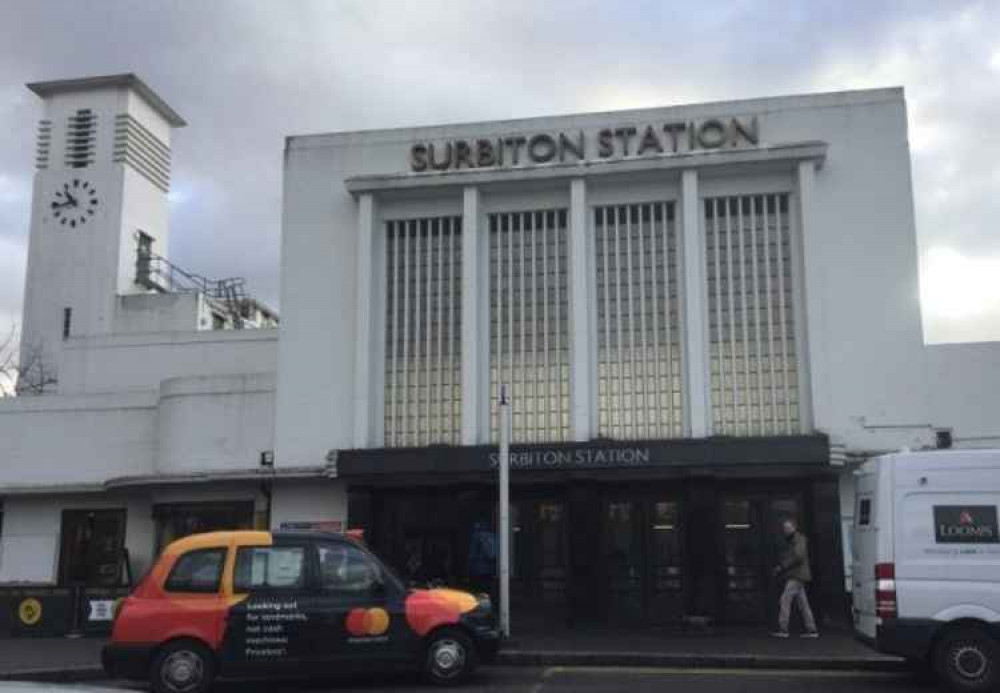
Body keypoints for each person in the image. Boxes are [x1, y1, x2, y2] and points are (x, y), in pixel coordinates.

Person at [770, 518, 819, 638]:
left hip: (797, 575)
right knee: (803, 603)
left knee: (785, 599)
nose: (785, 530)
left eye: (787, 527)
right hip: (797, 575)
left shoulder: (799, 539)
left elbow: (798, 556)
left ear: (794, 527)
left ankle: (783, 629)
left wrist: (782, 566)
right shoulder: (794, 540)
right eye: (784, 528)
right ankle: (811, 629)